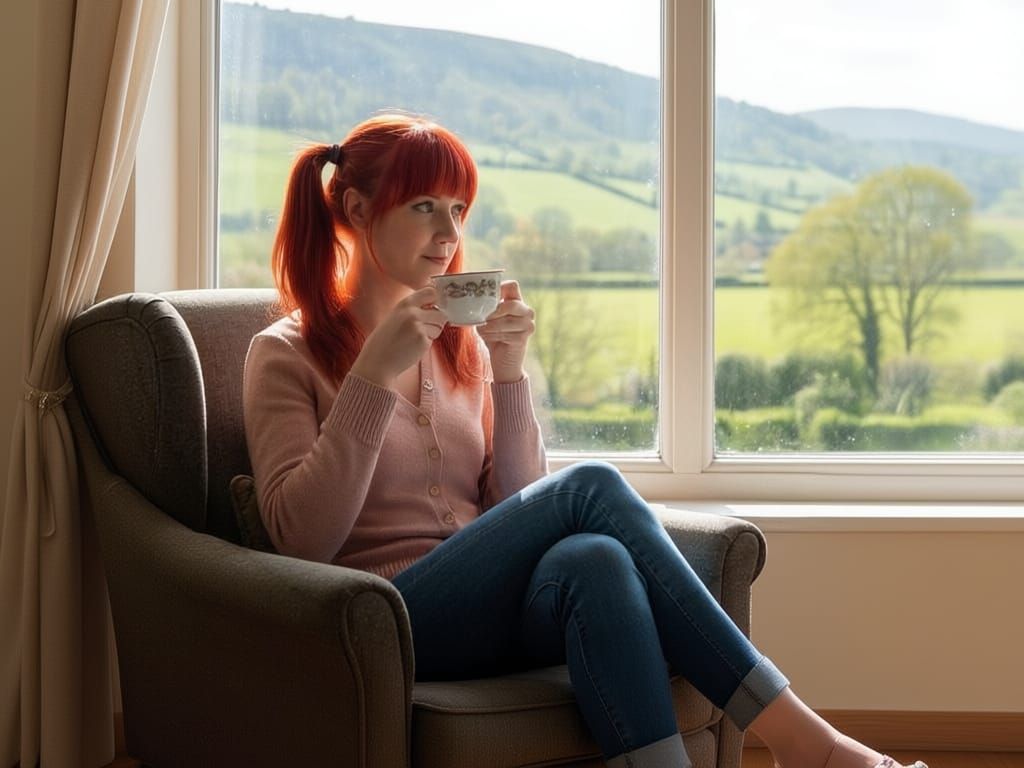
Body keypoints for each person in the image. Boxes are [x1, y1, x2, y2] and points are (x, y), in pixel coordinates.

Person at [242, 112, 927, 768]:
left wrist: (508, 374)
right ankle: (807, 743)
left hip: (488, 612)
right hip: (385, 620)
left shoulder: (460, 348)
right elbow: (302, 541)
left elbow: (516, 503)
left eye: (459, 209)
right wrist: (369, 378)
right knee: (589, 486)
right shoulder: (284, 354)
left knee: (595, 558)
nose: (449, 232)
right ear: (357, 209)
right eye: (424, 206)